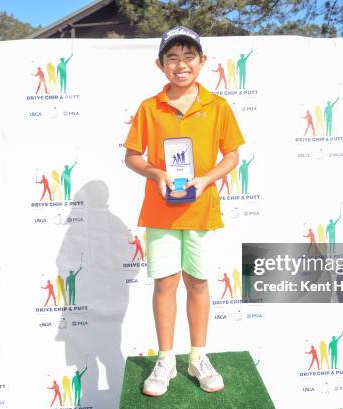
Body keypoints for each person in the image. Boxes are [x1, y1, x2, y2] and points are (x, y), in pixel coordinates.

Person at [123, 26, 244, 397]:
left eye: (189, 56)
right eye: (172, 57)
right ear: (160, 64)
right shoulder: (149, 107)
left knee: (199, 282)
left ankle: (198, 357)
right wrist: (156, 172)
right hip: (160, 212)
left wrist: (206, 179)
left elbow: (233, 155)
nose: (181, 64)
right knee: (165, 283)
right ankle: (165, 359)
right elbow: (132, 156)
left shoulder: (218, 106)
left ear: (202, 61)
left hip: (201, 210)